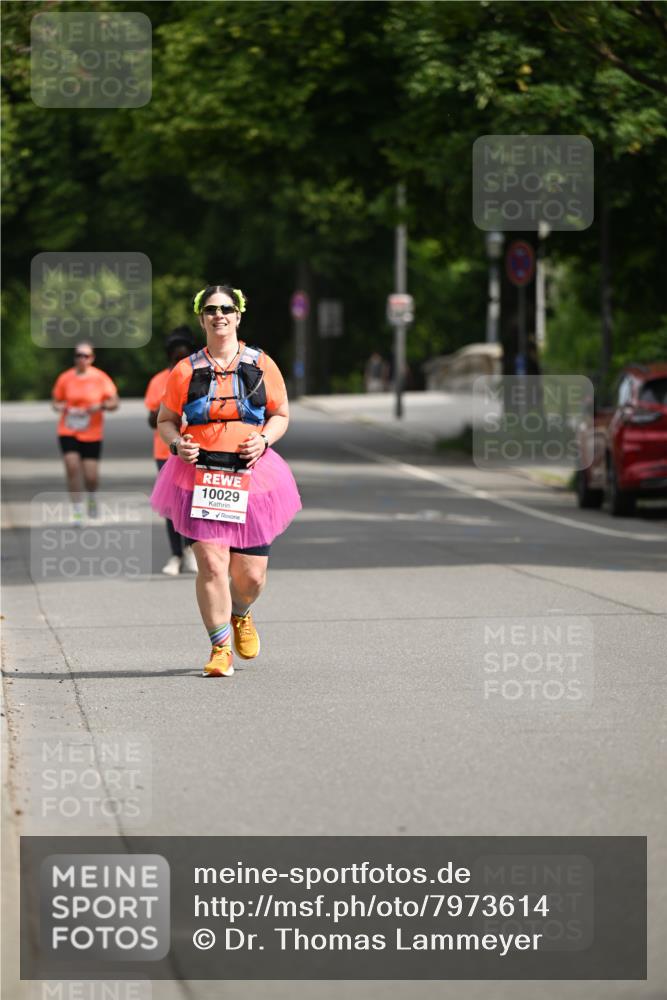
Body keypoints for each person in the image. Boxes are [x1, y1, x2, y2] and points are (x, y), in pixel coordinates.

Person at [151, 284, 302, 677]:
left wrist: (264, 439)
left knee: (250, 575)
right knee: (213, 566)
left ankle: (241, 613)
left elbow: (281, 413)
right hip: (199, 477)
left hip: (252, 477)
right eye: (212, 310)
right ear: (202, 318)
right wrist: (175, 445)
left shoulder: (262, 364)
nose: (220, 315)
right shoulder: (185, 370)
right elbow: (166, 420)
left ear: (238, 316)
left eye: (227, 309)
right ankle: (219, 648)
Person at [144, 327, 198, 575]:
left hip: (196, 449)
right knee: (171, 505)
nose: (180, 361)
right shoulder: (158, 381)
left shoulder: (200, 375)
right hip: (165, 451)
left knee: (192, 503)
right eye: (176, 357)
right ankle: (176, 554)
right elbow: (151, 419)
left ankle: (192, 550)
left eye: (184, 356)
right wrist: (166, 410)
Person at [51, 342, 119, 522]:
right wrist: (64, 407)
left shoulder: (100, 378)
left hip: (92, 432)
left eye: (86, 356)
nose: (82, 359)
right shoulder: (65, 378)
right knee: (71, 466)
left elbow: (114, 403)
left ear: (92, 358)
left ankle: (91, 497)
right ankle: (77, 509)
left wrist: (100, 406)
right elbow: (56, 402)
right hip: (68, 429)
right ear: (74, 358)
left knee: (91, 476)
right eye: (78, 355)